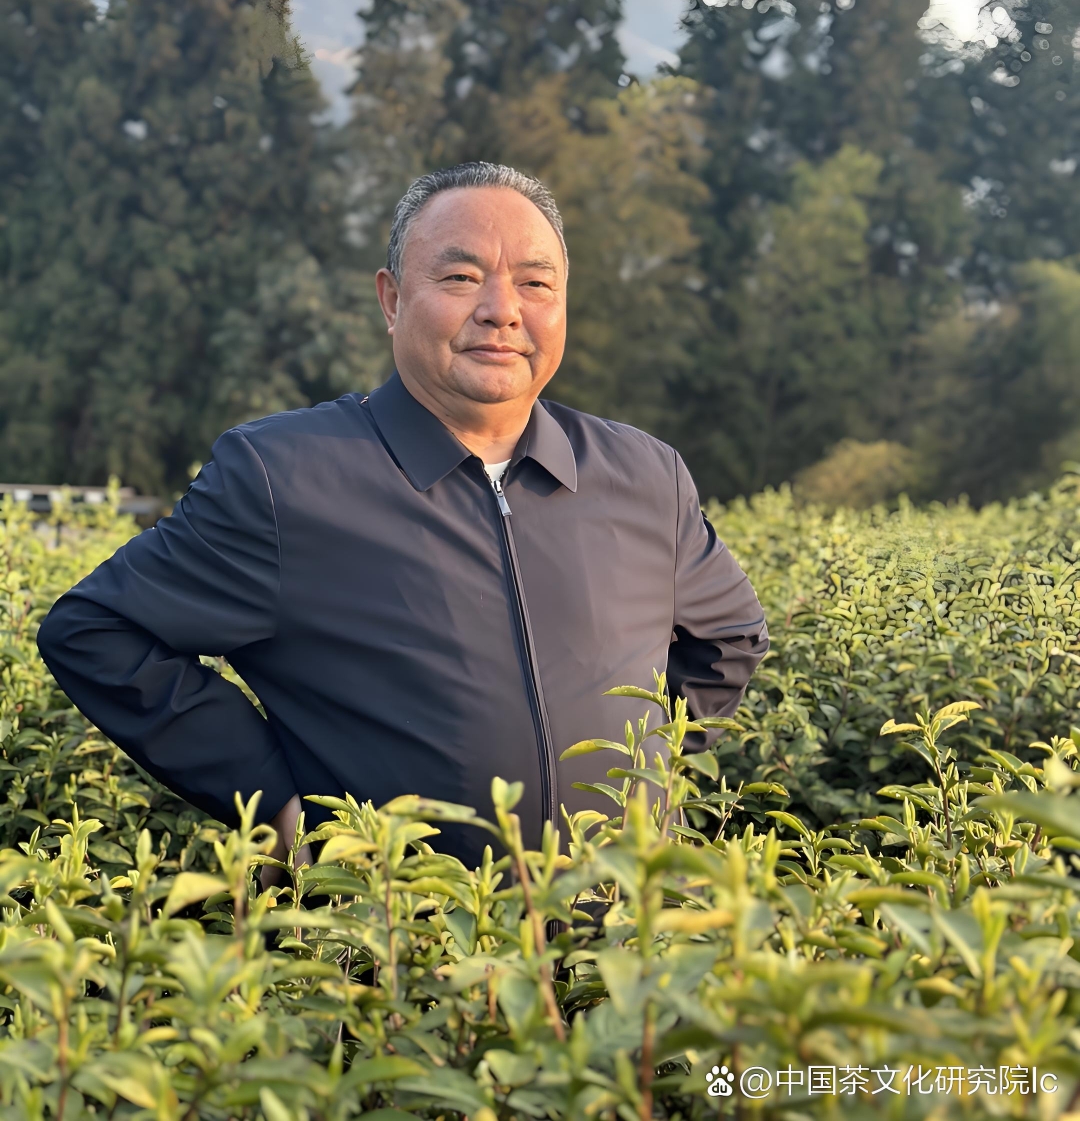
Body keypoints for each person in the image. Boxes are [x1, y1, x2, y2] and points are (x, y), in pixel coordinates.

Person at [36, 162, 768, 875]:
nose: (503, 309)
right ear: (391, 299)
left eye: (536, 283)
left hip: (625, 952)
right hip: (392, 954)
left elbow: (729, 638)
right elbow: (96, 630)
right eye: (460, 277)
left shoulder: (644, 475)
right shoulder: (287, 476)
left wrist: (633, 766)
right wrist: (269, 797)